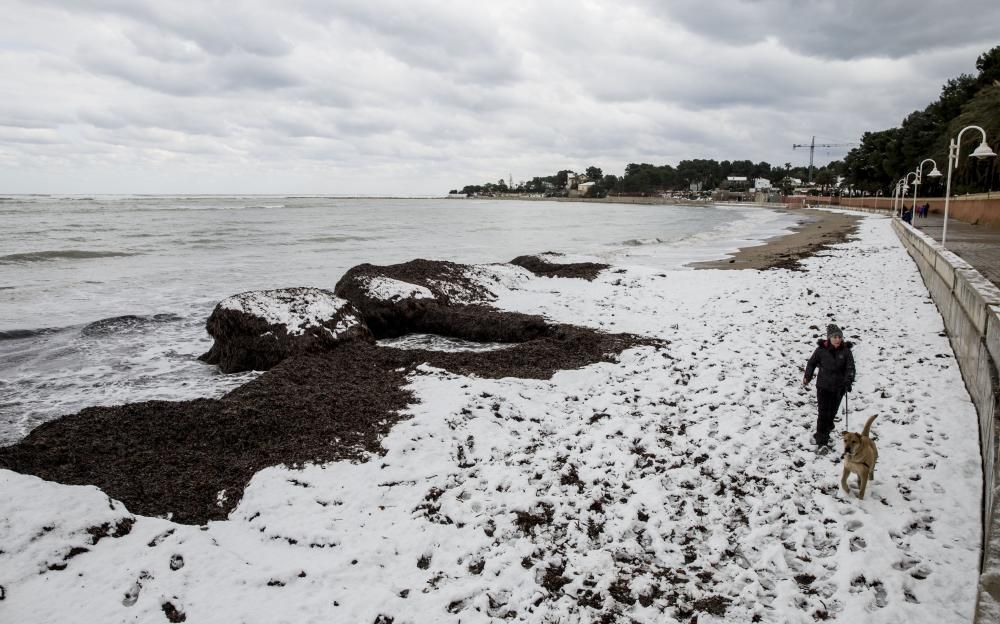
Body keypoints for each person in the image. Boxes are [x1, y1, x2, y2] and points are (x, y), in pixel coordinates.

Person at [803, 324, 855, 449]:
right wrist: (807, 376)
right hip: (823, 387)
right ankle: (821, 440)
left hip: (839, 388)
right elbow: (811, 363)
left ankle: (828, 427)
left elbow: (850, 368)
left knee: (832, 412)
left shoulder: (846, 351)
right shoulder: (821, 350)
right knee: (823, 413)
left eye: (839, 337)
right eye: (835, 337)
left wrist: (848, 380)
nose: (837, 339)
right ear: (829, 338)